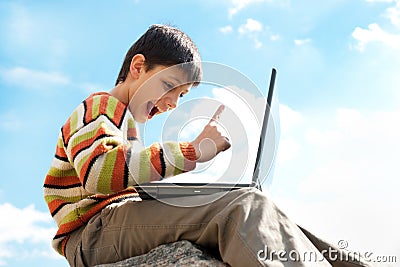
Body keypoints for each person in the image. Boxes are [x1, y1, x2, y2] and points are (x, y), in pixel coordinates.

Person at [44, 24, 371, 267]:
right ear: (138, 66)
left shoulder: (124, 124)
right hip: (94, 234)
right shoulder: (99, 107)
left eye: (181, 96)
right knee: (241, 207)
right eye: (169, 85)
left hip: (117, 221)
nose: (172, 103)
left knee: (270, 216)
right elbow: (100, 173)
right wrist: (192, 152)